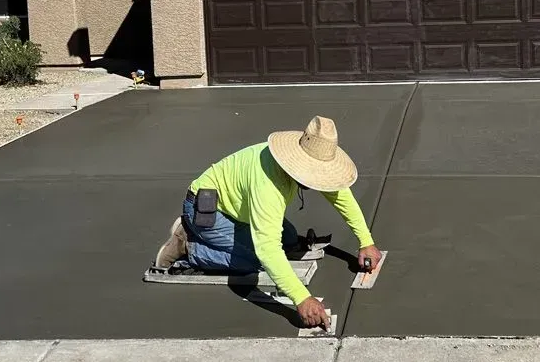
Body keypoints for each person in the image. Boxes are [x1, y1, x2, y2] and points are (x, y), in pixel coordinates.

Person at [154, 115, 382, 329]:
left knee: (290, 238)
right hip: (207, 212)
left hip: (238, 209)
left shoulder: (296, 160)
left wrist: (366, 241)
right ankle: (189, 244)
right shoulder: (269, 184)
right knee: (255, 262)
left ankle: (200, 237)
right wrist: (301, 298)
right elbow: (268, 250)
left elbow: (340, 195)